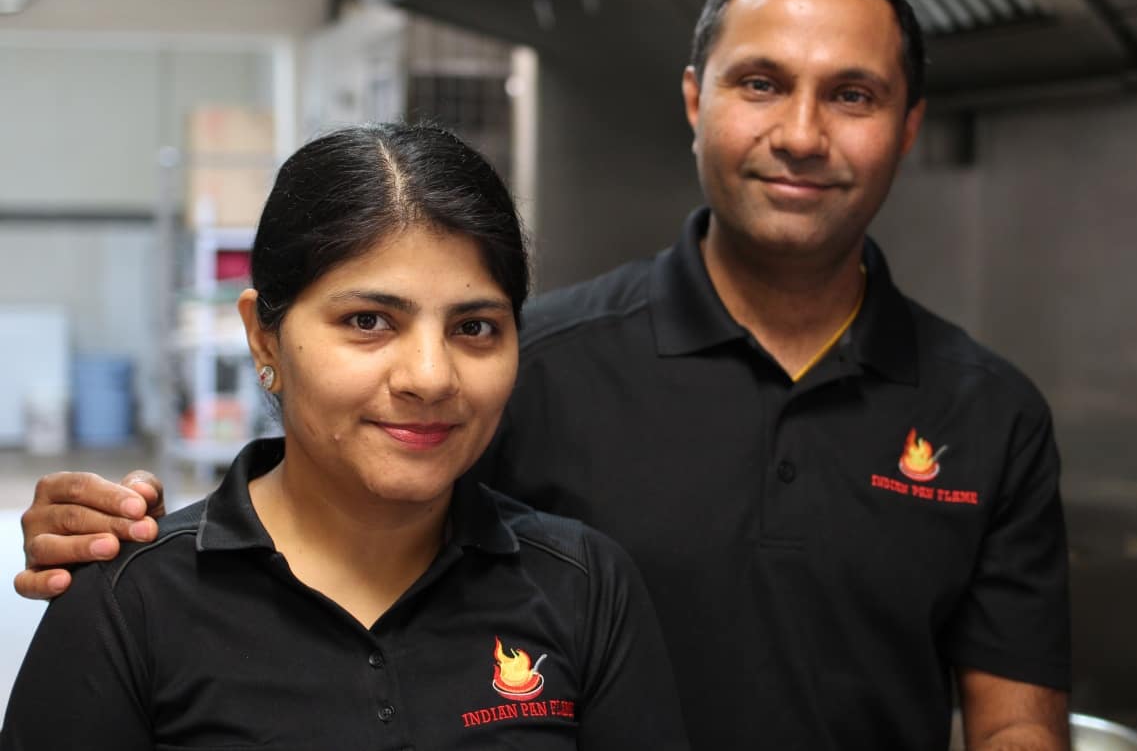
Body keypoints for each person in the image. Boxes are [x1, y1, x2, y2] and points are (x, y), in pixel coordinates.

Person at [14, 0, 1071, 749]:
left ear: (909, 123)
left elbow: (1015, 721)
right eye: (759, 82)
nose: (801, 132)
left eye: (852, 94)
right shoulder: (548, 364)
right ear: (695, 100)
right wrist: (134, 546)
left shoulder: (987, 412)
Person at [2, 123, 689, 751]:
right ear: (263, 334)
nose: (430, 376)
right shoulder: (131, 603)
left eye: (474, 326)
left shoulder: (582, 587)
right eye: (368, 321)